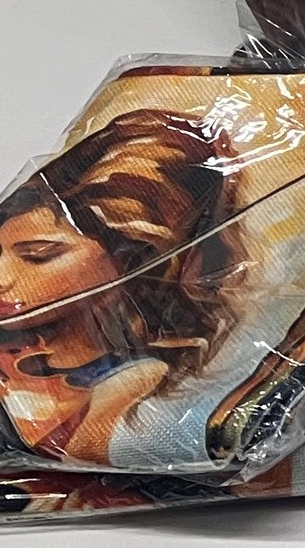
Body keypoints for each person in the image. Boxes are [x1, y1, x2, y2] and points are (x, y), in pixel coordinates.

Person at [0, 111, 241, 467]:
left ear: (129, 261)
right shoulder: (17, 344)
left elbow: (78, 463)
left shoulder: (132, 380)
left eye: (39, 255)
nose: (2, 278)